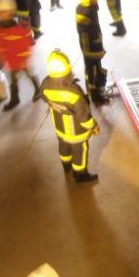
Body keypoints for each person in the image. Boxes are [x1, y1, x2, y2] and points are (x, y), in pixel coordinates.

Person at [40, 49, 100, 183]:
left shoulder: (45, 84)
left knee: (63, 145)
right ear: (68, 68)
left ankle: (66, 165)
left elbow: (44, 98)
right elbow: (83, 117)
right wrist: (93, 127)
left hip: (59, 127)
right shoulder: (74, 92)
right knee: (79, 151)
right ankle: (80, 175)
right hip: (76, 132)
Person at [0, 0, 40, 111]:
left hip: (21, 59)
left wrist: (24, 57)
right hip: (11, 59)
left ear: (10, 13)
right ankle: (15, 99)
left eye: (2, 12)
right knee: (13, 79)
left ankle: (38, 89)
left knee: (29, 73)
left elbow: (27, 42)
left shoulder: (21, 26)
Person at [75, 0, 109, 105]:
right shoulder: (91, 10)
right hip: (92, 48)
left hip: (85, 47)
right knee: (94, 71)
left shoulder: (79, 8)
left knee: (89, 68)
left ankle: (90, 89)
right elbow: (95, 31)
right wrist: (100, 49)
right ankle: (96, 97)